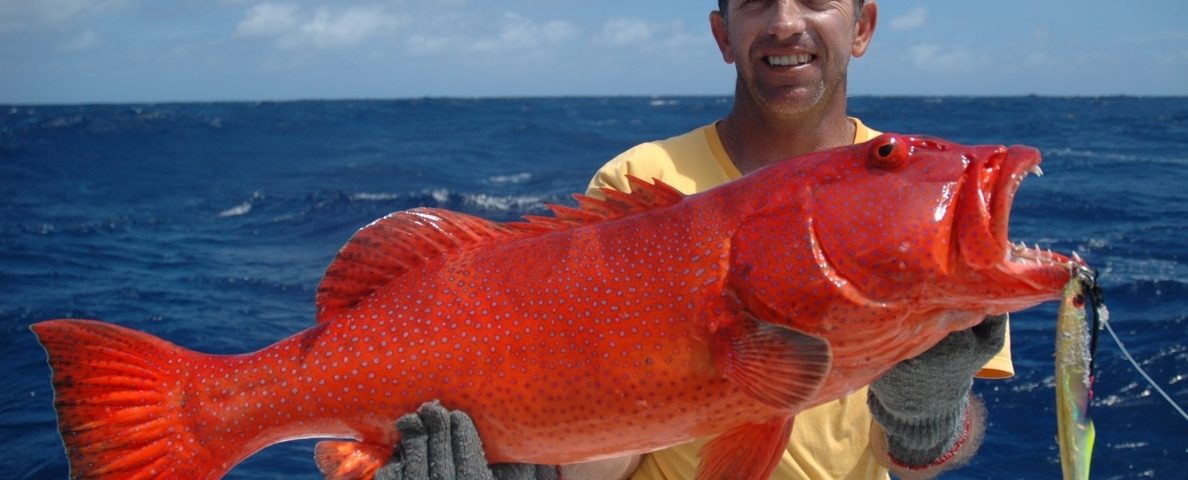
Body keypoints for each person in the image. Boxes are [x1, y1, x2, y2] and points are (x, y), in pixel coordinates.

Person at [380, 1, 1012, 479]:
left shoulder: (928, 205)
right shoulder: (638, 182)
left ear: (863, 26)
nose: (786, 22)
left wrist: (927, 416)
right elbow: (617, 443)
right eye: (757, 1)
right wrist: (521, 459)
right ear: (723, 34)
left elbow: (918, 464)